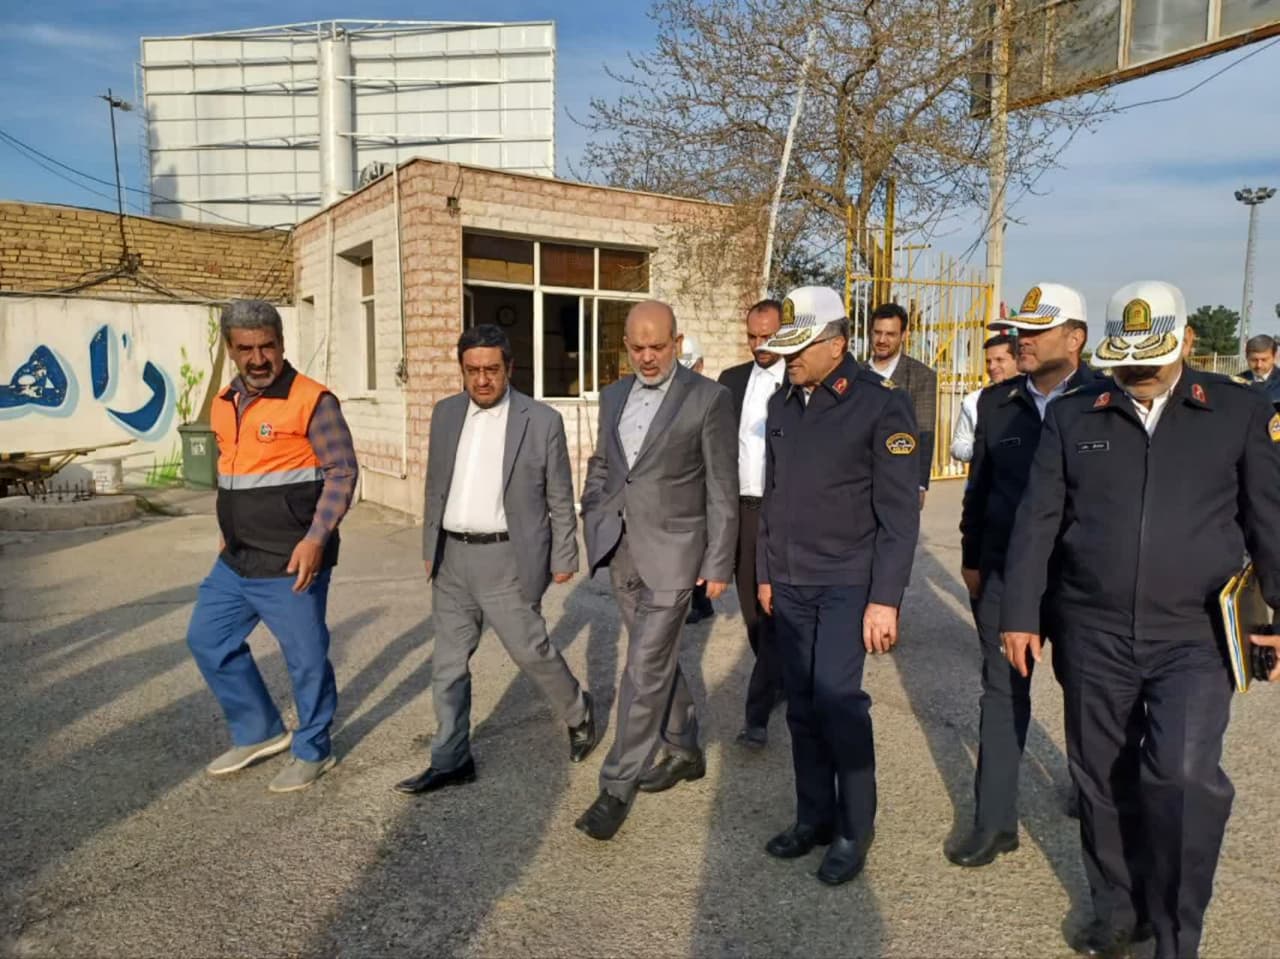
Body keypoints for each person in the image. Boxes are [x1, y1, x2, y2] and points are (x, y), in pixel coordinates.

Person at [1001, 281, 1280, 959]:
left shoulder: (1236, 411)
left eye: (1150, 358)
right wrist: (1020, 612)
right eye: (1125, 360)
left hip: (1196, 633)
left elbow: (1269, 519)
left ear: (1185, 341)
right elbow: (1038, 519)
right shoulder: (1076, 415)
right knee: (1101, 777)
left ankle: (1176, 932)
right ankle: (1119, 908)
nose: (1137, 372)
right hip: (1092, 630)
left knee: (1182, 776)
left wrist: (1276, 615)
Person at [756, 287, 920, 885]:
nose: (789, 357)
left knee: (837, 702)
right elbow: (773, 496)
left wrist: (885, 600)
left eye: (801, 347)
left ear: (837, 344)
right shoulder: (782, 404)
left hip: (848, 582)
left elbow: (899, 517)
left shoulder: (880, 406)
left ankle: (854, 827)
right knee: (800, 706)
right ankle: (814, 817)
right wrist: (766, 573)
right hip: (790, 581)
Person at [395, 324, 597, 796]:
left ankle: (579, 711)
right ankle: (451, 758)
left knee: (530, 651)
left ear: (509, 368)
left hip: (508, 558)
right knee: (447, 665)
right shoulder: (446, 413)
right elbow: (435, 484)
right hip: (451, 558)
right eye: (472, 371)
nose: (482, 380)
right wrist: (429, 548)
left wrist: (564, 554)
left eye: (491, 370)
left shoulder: (540, 420)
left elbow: (559, 495)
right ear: (461, 370)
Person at [574, 300, 737, 841]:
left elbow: (721, 486)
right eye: (638, 347)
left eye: (658, 347)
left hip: (675, 554)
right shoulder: (613, 395)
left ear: (677, 342)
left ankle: (616, 785)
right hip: (622, 549)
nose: (648, 357)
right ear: (626, 346)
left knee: (642, 668)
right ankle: (685, 748)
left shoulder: (709, 398)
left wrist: (718, 562)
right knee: (658, 658)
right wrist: (594, 510)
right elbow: (604, 463)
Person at [950, 283, 1099, 867]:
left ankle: (1094, 797)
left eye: (1038, 331)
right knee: (1000, 691)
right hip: (1007, 572)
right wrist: (972, 555)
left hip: (1082, 580)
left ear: (1075, 337)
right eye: (1022, 331)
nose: (1024, 341)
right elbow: (980, 488)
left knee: (1088, 694)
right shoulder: (998, 404)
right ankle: (994, 822)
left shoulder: (1104, 399)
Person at [185, 299, 358, 793]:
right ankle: (259, 731)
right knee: (207, 639)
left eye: (267, 346)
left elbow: (342, 472)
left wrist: (315, 540)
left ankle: (314, 750)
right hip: (236, 558)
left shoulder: (312, 400)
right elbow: (232, 473)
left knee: (306, 659)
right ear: (230, 349)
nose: (258, 358)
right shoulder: (224, 402)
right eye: (246, 349)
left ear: (281, 344)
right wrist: (227, 529)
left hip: (292, 559)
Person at [716, 299, 786, 748]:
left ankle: (756, 714)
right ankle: (780, 675)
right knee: (752, 612)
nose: (759, 345)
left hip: (784, 511)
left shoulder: (799, 381)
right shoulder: (731, 381)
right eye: (752, 337)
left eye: (768, 336)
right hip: (742, 510)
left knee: (774, 609)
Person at [868, 302, 937, 505]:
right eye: (877, 333)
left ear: (904, 335)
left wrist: (920, 484)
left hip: (900, 481)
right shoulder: (855, 373)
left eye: (890, 334)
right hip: (859, 479)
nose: (882, 340)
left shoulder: (921, 376)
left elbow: (925, 431)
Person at [682, 336, 717, 625]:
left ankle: (701, 602)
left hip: (704, 482)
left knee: (698, 547)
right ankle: (699, 601)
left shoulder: (712, 397)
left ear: (701, 365)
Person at [950, 333, 1017, 462]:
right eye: (988, 361)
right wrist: (981, 451)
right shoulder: (974, 400)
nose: (992, 367)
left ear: (1017, 360)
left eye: (1000, 360)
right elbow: (957, 445)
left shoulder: (1034, 395)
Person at [1240, 333, 1280, 406]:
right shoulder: (1237, 382)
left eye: (1264, 360)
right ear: (1246, 357)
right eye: (1254, 360)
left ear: (1275, 357)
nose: (1259, 365)